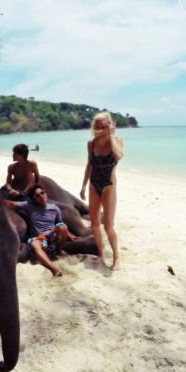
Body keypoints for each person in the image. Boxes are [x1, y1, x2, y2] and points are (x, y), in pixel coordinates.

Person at [79, 111, 124, 270]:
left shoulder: (117, 141)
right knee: (95, 223)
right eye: (97, 127)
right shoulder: (92, 143)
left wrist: (111, 135)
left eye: (103, 127)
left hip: (108, 186)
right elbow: (89, 165)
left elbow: (118, 156)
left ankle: (117, 258)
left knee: (108, 226)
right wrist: (83, 185)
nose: (100, 130)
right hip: (93, 185)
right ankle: (100, 253)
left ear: (110, 125)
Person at [6, 183, 76, 277]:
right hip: (39, 239)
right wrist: (1, 195)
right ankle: (54, 269)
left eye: (42, 193)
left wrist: (69, 235)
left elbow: (60, 222)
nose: (41, 196)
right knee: (34, 244)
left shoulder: (54, 209)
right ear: (33, 199)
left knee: (62, 227)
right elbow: (12, 203)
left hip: (52, 237)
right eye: (37, 196)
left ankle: (58, 252)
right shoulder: (29, 206)